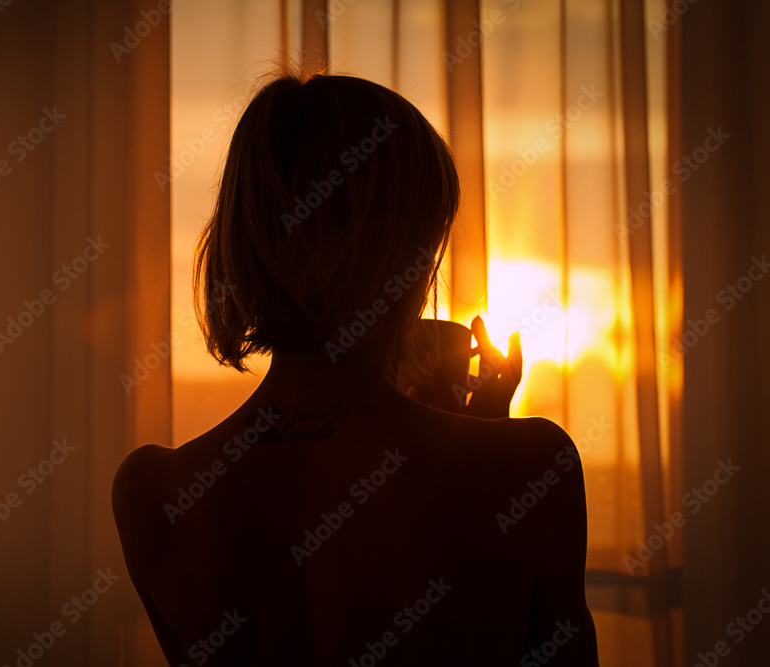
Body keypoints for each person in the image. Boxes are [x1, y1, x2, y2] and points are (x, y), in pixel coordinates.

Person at [112, 66, 599, 666]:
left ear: (242, 236)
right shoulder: (531, 465)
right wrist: (484, 440)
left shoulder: (153, 496)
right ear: (414, 258)